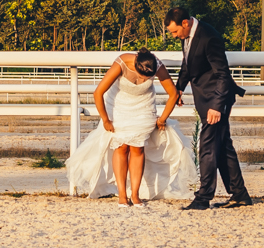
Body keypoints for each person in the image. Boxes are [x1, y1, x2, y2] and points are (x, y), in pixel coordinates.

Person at [66, 48, 197, 206]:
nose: (143, 81)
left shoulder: (157, 65)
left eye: (147, 79)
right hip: (119, 108)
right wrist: (106, 120)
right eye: (142, 77)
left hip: (144, 108)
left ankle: (135, 195)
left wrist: (162, 119)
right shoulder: (122, 62)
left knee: (138, 148)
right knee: (121, 147)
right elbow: (98, 92)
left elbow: (173, 94)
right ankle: (122, 194)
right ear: (136, 65)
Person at [164, 5, 253, 210]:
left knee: (207, 147)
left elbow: (223, 74)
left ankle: (203, 198)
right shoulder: (188, 36)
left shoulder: (209, 36)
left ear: (185, 23)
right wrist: (179, 89)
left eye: (175, 31)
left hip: (216, 100)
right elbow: (187, 64)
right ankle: (240, 194)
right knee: (223, 148)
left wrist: (216, 106)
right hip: (206, 99)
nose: (175, 36)